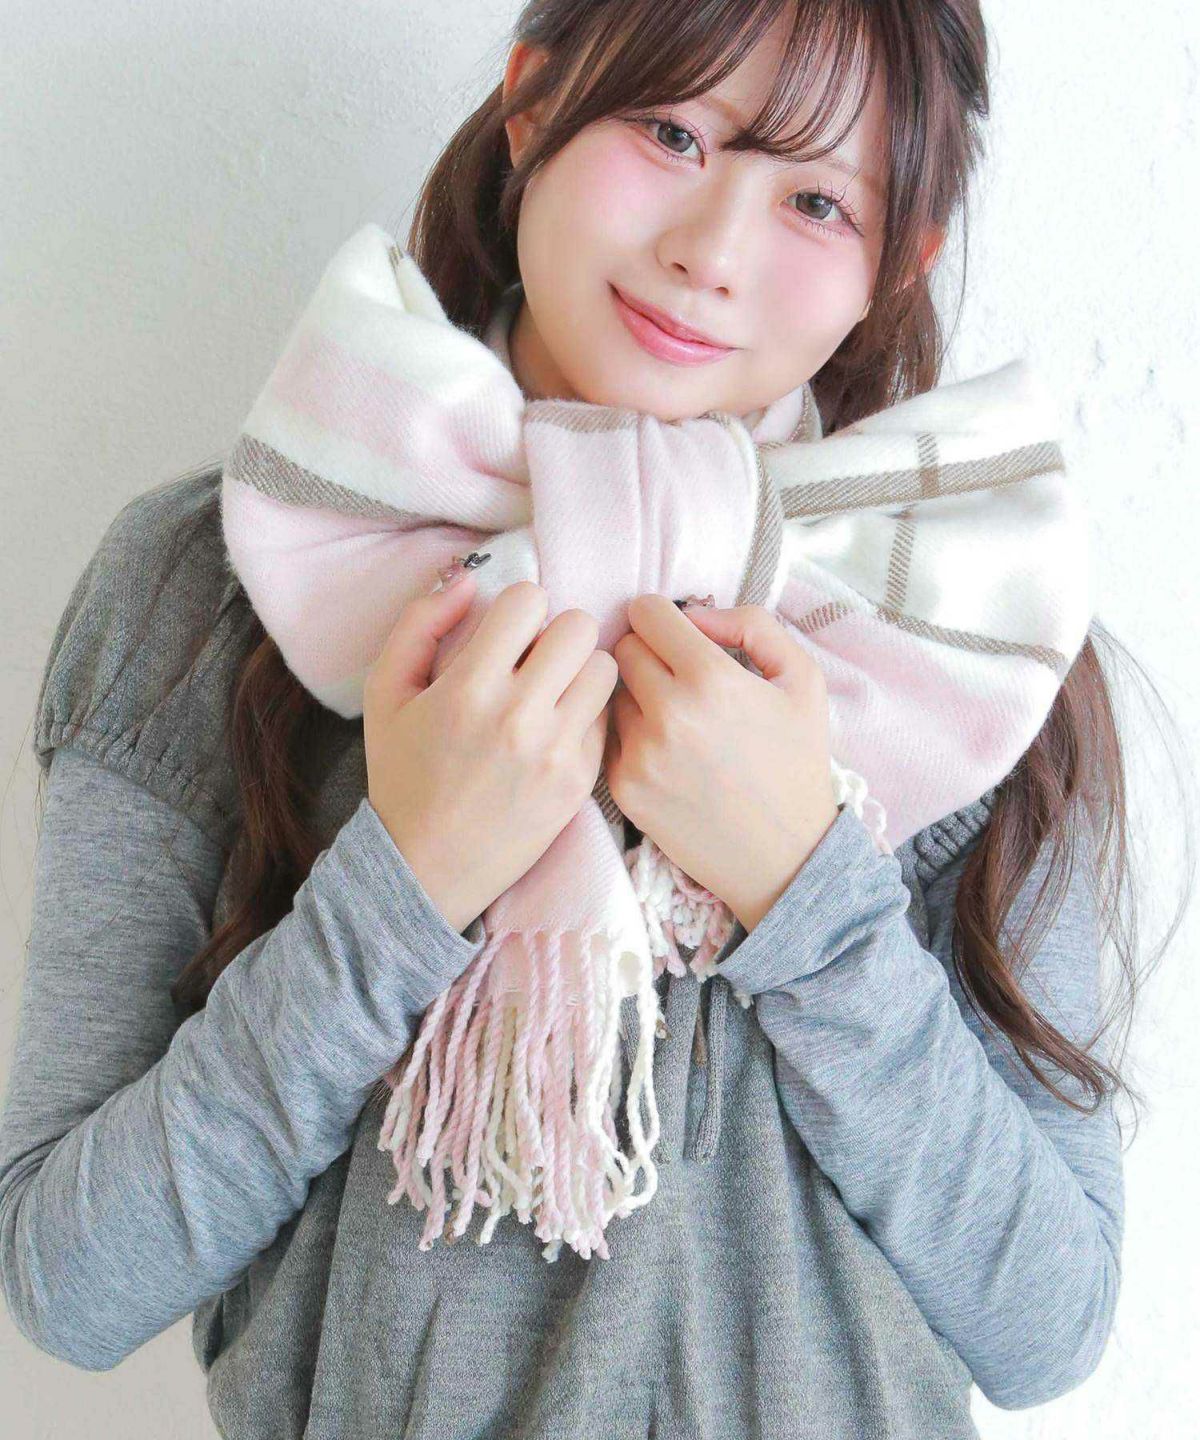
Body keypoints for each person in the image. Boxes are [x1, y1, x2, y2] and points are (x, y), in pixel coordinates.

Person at [1, 2, 1177, 1436]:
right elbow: (70, 1281)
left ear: (902, 257)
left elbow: (1048, 1324)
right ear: (532, 101)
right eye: (672, 131)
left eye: (817, 200)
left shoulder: (961, 643)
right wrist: (406, 881)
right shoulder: (224, 578)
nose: (712, 251)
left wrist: (808, 888)